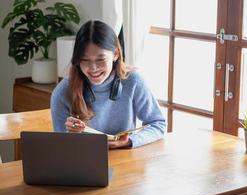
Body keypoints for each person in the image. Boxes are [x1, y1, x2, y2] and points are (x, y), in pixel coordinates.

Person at [51, 20, 166, 149]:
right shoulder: (63, 92)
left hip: (125, 161)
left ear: (116, 54)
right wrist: (72, 136)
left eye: (101, 59)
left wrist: (129, 141)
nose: (93, 68)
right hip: (85, 163)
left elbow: (158, 124)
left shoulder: (133, 81)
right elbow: (62, 147)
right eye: (85, 60)